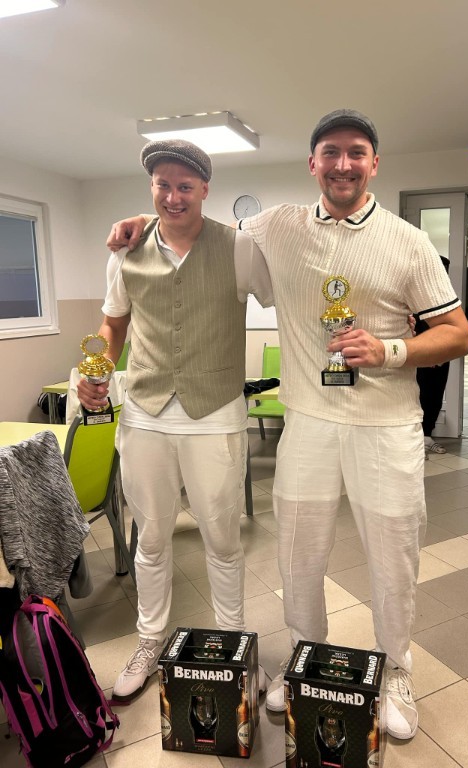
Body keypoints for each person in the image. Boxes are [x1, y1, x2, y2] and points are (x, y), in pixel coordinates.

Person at [105, 109, 468, 739]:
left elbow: (458, 334)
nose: (342, 164)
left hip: (385, 425)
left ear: (374, 163)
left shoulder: (407, 240)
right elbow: (194, 223)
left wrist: (391, 350)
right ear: (312, 164)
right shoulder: (277, 227)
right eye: (330, 152)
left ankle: (396, 669)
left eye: (355, 152)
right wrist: (144, 220)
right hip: (306, 421)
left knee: (393, 556)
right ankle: (305, 661)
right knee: (298, 558)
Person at [78, 139, 273, 703]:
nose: (173, 196)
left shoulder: (238, 248)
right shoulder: (127, 251)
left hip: (215, 413)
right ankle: (149, 641)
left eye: (185, 186)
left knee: (222, 538)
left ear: (205, 189)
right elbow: (113, 325)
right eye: (162, 185)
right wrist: (95, 371)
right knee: (152, 537)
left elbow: (282, 295)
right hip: (145, 411)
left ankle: (235, 646)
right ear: (151, 188)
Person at [415, 255, 451, 457]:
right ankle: (417, 440)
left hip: (442, 355)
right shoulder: (417, 294)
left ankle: (427, 435)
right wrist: (427, 353)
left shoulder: (448, 296)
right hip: (421, 354)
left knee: (436, 394)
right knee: (420, 394)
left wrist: (441, 353)